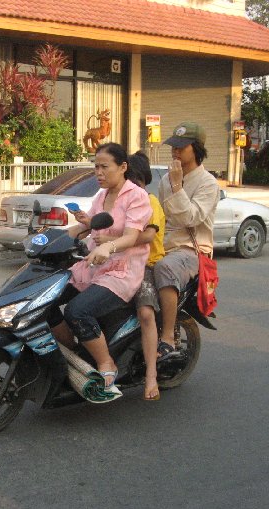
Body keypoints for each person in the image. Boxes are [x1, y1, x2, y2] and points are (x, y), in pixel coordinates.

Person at [49, 143, 152, 397]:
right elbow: (88, 227)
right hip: (92, 265)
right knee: (46, 301)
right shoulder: (101, 196)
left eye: (104, 167)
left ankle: (106, 362)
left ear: (123, 167)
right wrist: (49, 241)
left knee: (77, 311)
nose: (99, 173)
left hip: (121, 269)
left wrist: (110, 247)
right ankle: (75, 351)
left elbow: (131, 236)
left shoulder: (137, 196)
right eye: (96, 167)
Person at [94, 151, 165, 401]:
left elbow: (144, 237)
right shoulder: (111, 198)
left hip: (146, 264)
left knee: (145, 313)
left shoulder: (148, 201)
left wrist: (109, 241)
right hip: (119, 261)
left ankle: (151, 376)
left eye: (134, 179)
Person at [154, 122, 220, 360]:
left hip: (192, 250)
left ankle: (168, 337)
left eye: (182, 147)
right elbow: (160, 217)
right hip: (164, 246)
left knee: (165, 267)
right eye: (174, 146)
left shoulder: (208, 183)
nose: (176, 151)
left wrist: (176, 186)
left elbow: (191, 218)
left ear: (197, 148)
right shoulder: (164, 181)